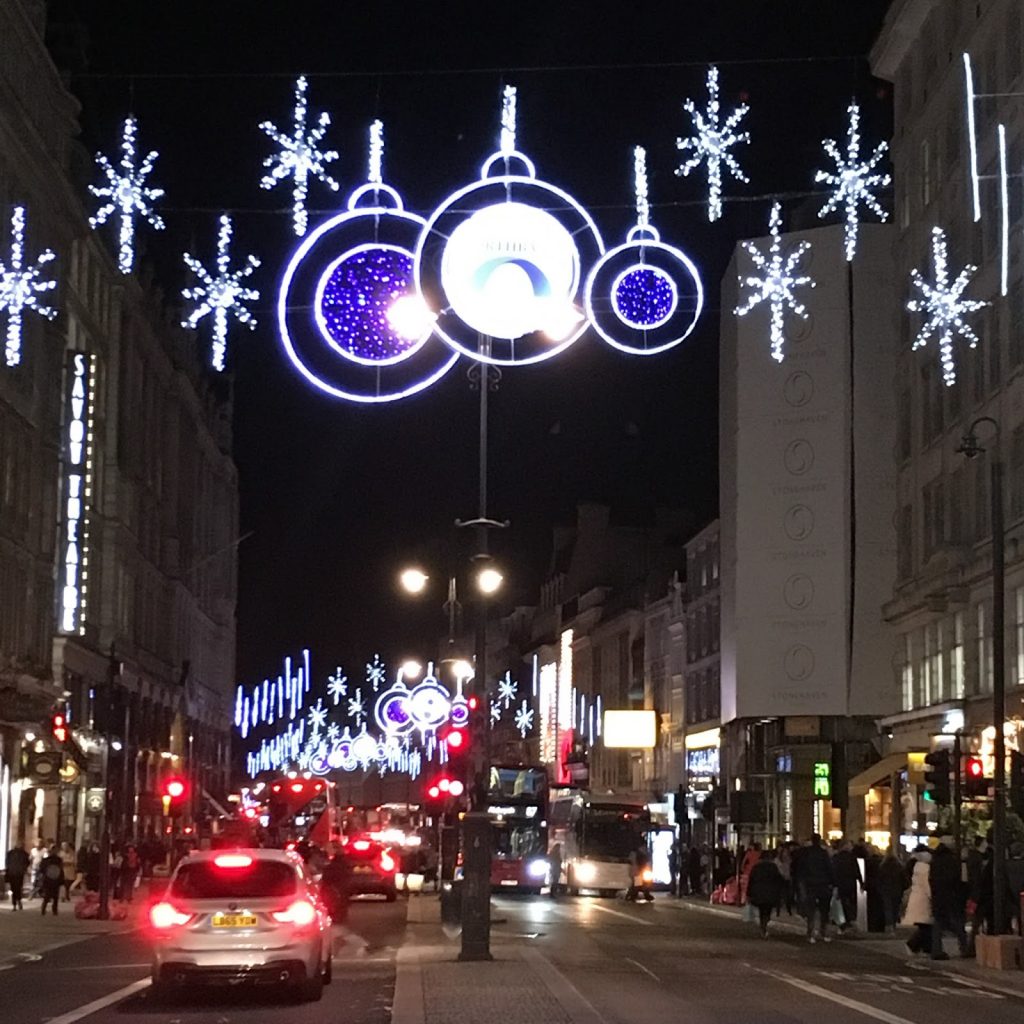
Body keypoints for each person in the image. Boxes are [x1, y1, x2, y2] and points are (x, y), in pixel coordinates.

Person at [928, 835, 968, 959]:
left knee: (938, 924)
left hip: (938, 896)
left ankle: (936, 950)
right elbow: (958, 880)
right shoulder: (952, 860)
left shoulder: (935, 859)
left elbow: (931, 879)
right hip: (952, 896)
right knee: (958, 922)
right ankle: (964, 948)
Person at [792, 834, 834, 943]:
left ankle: (810, 933)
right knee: (824, 910)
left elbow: (799, 868)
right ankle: (823, 931)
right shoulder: (823, 853)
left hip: (810, 884)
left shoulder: (805, 853)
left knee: (811, 910)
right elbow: (829, 868)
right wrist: (832, 882)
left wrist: (800, 883)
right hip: (823, 884)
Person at [747, 850, 784, 938]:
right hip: (770, 893)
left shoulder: (756, 867)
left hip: (759, 892)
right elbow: (778, 880)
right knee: (767, 911)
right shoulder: (773, 867)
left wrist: (749, 893)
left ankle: (762, 927)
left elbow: (751, 881)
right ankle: (764, 926)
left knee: (762, 910)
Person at [902, 845, 932, 955]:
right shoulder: (925, 868)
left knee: (925, 925)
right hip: (923, 900)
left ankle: (924, 948)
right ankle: (913, 945)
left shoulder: (917, 867)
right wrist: (932, 896)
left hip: (917, 898)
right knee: (926, 926)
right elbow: (927, 885)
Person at [832, 840, 862, 931]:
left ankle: (842, 921)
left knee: (841, 902)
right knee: (850, 902)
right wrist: (861, 882)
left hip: (840, 883)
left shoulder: (836, 857)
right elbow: (856, 871)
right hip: (850, 883)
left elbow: (834, 871)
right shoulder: (852, 857)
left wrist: (834, 883)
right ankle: (850, 919)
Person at [877, 850, 906, 934]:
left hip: (886, 891)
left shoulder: (882, 867)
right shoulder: (899, 867)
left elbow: (879, 880)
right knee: (895, 908)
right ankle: (893, 924)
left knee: (888, 909)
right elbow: (905, 880)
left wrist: (880, 889)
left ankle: (888, 926)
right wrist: (903, 888)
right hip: (897, 891)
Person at [39, 846, 64, 916]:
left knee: (52, 895)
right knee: (50, 895)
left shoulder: (48, 860)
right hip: (52, 879)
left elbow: (42, 869)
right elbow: (61, 870)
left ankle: (49, 908)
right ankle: (50, 909)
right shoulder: (57, 860)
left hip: (50, 878)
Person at [5, 841, 29, 911]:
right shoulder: (23, 853)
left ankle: (16, 903)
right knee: (17, 888)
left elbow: (7, 863)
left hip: (14, 873)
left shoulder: (11, 853)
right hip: (17, 873)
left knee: (15, 888)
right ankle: (17, 902)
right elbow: (27, 862)